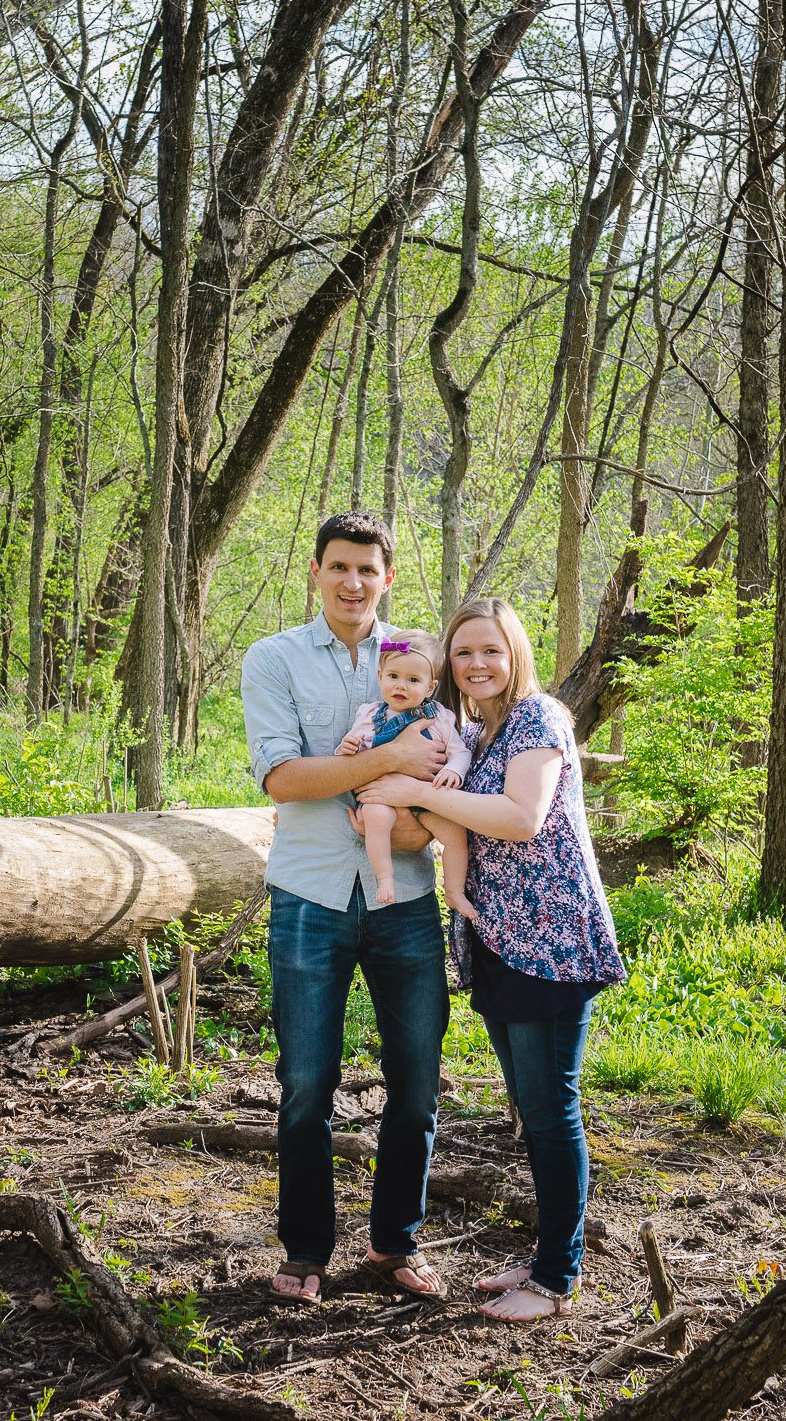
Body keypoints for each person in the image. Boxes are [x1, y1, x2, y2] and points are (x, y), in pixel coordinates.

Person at [356, 597, 625, 1322]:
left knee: (549, 1110)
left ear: (515, 656)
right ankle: (546, 1257)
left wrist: (410, 789)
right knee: (530, 1110)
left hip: (551, 938)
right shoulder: (478, 727)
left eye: (491, 651)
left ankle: (555, 1281)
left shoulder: (540, 717)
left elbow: (520, 818)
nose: (477, 664)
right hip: (499, 934)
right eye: (464, 652)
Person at [240, 513, 453, 1305]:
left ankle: (394, 1246)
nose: (352, 582)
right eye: (338, 567)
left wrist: (418, 810)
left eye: (367, 569)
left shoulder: (423, 657)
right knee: (304, 1082)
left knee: (419, 1082)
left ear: (386, 576)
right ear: (315, 571)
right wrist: (393, 758)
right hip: (308, 893)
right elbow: (283, 778)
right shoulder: (274, 659)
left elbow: (455, 767)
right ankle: (303, 1253)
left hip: (406, 895)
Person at [336, 631, 473, 916]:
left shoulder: (439, 717)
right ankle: (385, 879)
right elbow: (353, 756)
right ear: (380, 676)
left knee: (456, 833)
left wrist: (453, 771)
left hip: (426, 799)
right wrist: (346, 748)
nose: (401, 686)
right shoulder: (370, 715)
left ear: (430, 686)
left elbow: (460, 752)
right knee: (375, 816)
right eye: (394, 676)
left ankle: (454, 892)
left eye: (413, 680)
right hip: (382, 795)